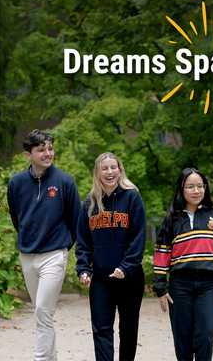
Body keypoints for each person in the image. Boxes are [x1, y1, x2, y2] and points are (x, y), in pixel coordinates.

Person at [7, 129, 81, 361]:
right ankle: (51, 358)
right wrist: (28, 238)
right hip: (28, 255)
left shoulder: (65, 181)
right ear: (29, 154)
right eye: (41, 149)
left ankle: (40, 358)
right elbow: (16, 217)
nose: (48, 153)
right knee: (43, 314)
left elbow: (75, 219)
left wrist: (63, 247)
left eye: (50, 148)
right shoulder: (17, 183)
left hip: (55, 255)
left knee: (42, 310)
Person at [153, 167, 213, 361]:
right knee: (183, 339)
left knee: (205, 336)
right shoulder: (172, 220)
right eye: (190, 187)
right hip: (180, 286)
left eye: (200, 186)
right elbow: (162, 253)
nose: (196, 191)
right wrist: (161, 288)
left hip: (208, 286)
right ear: (181, 189)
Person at [76, 152, 146, 361]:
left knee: (128, 330)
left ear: (120, 170)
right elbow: (83, 242)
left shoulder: (132, 197)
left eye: (113, 167)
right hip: (101, 279)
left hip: (129, 278)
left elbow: (138, 237)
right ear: (97, 172)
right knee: (101, 330)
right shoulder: (89, 203)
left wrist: (126, 266)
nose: (109, 172)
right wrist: (83, 269)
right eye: (104, 168)